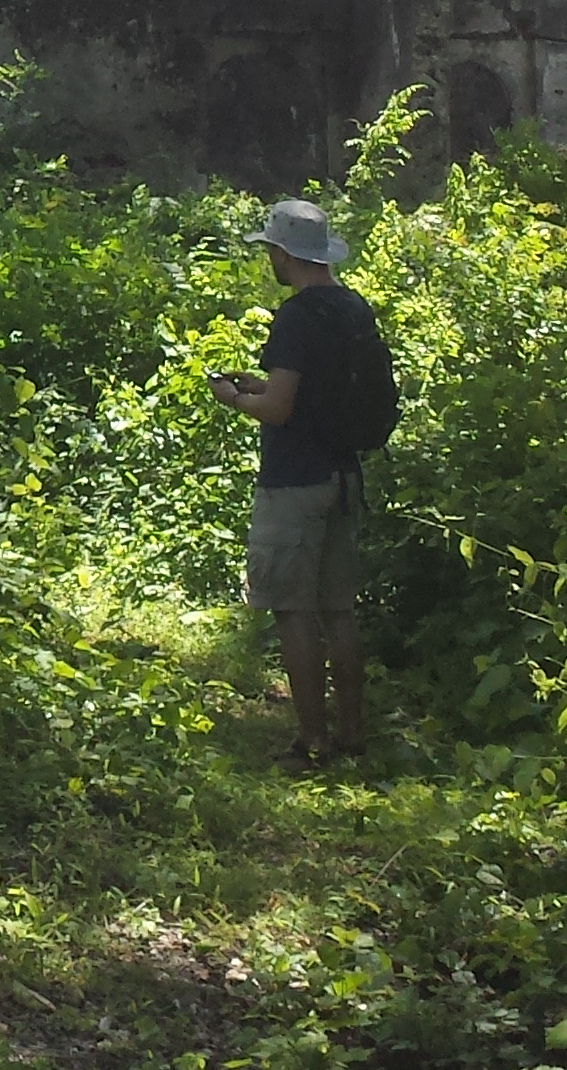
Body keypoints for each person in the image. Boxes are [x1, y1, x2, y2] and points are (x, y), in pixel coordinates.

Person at [210, 197, 379, 766]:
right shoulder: (353, 309)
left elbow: (281, 410)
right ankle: (353, 734)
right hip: (343, 476)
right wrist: (266, 385)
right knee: (339, 609)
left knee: (293, 610)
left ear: (284, 253)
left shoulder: (296, 317)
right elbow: (312, 392)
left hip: (295, 481)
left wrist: (235, 397)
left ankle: (312, 740)